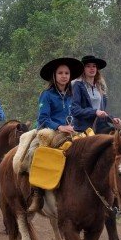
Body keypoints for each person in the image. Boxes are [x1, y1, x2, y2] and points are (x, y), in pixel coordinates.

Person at [28, 57, 84, 214]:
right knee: (34, 153)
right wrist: (60, 126)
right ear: (54, 76)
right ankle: (37, 194)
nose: (64, 76)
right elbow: (43, 119)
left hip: (71, 131)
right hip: (50, 131)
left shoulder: (73, 95)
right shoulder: (46, 95)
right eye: (60, 73)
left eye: (67, 73)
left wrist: (74, 127)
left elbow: (77, 114)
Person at [71, 55, 121, 134]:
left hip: (101, 126)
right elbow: (75, 110)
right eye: (88, 66)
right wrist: (95, 112)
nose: (92, 68)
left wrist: (113, 119)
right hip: (84, 129)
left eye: (94, 66)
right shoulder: (77, 85)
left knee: (120, 135)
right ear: (83, 69)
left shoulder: (100, 87)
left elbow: (101, 112)